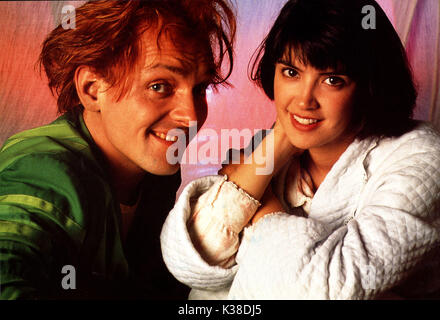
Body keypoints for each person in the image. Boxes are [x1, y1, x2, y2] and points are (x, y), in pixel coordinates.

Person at [161, 0, 440, 299]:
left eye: (332, 80)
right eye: (291, 72)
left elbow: (322, 291)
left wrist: (264, 206)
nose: (304, 99)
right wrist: (278, 142)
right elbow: (191, 260)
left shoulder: (420, 157)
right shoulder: (272, 149)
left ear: (369, 86)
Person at [0, 0, 235, 299]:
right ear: (92, 89)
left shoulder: (152, 171)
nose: (190, 116)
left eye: (200, 88)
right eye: (160, 86)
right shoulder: (43, 171)